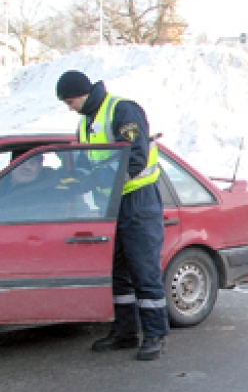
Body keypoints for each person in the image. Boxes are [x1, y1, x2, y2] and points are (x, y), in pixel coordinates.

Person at [56, 70, 169, 361]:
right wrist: (76, 179)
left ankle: (155, 335)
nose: (70, 107)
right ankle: (125, 332)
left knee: (144, 271)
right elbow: (86, 159)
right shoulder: (86, 123)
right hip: (111, 203)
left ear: (83, 93)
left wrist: (98, 181)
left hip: (138, 200)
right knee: (119, 272)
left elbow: (134, 157)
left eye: (70, 101)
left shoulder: (122, 110)